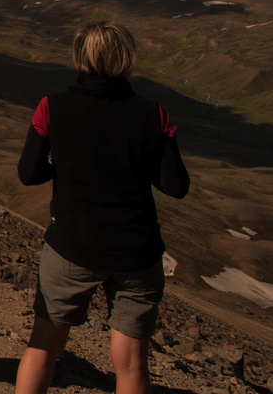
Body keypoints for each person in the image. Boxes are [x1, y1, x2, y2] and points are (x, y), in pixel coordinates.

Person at [14, 21, 189, 394]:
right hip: (136, 252)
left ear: (81, 57)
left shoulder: (52, 107)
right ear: (127, 59)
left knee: (43, 346)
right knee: (131, 366)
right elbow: (175, 186)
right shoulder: (153, 114)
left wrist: (66, 164)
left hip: (72, 245)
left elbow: (28, 175)